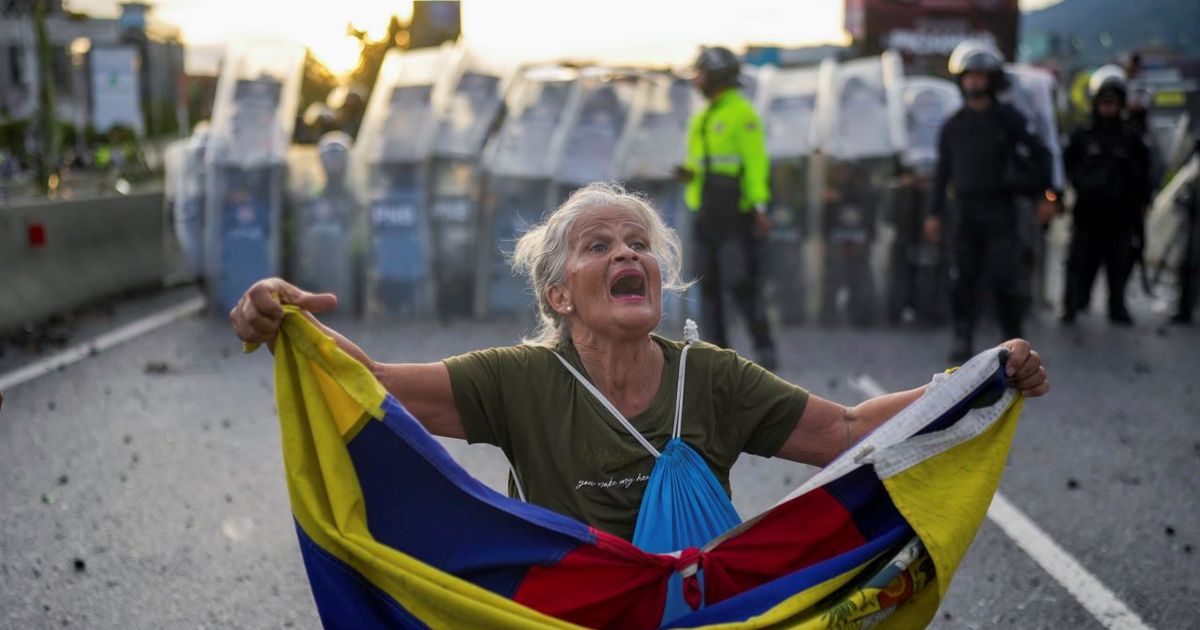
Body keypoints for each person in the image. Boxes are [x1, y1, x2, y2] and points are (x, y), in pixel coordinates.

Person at [231, 182, 1050, 545]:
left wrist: (972, 382)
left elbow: (844, 430)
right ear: (558, 295)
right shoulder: (517, 380)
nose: (630, 254)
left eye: (640, 245)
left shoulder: (713, 377)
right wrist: (279, 317)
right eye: (600, 246)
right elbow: (367, 385)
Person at [925, 41, 1051, 362]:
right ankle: (962, 334)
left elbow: (1041, 154)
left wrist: (1046, 195)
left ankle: (1013, 340)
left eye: (981, 76)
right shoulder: (953, 126)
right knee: (961, 276)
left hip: (1001, 209)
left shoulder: (1010, 119)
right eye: (969, 76)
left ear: (992, 80)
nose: (974, 82)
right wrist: (934, 213)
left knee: (1003, 276)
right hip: (964, 209)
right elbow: (942, 173)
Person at [676, 46, 778, 370]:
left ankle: (765, 348)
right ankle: (718, 353)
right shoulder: (704, 115)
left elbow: (755, 163)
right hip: (706, 208)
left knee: (742, 281)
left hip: (734, 210)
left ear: (717, 75)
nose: (696, 80)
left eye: (700, 73)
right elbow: (704, 162)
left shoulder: (741, 113)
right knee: (708, 285)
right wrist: (690, 174)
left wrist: (760, 207)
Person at [1060, 65, 1152, 325]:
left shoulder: (1132, 137)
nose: (1108, 105)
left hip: (1121, 215)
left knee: (1120, 265)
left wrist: (1144, 203)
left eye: (1113, 100)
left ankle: (1117, 306)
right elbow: (1065, 167)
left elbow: (1145, 172)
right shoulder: (1082, 134)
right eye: (1104, 99)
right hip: (1087, 213)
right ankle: (1072, 305)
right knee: (1079, 263)